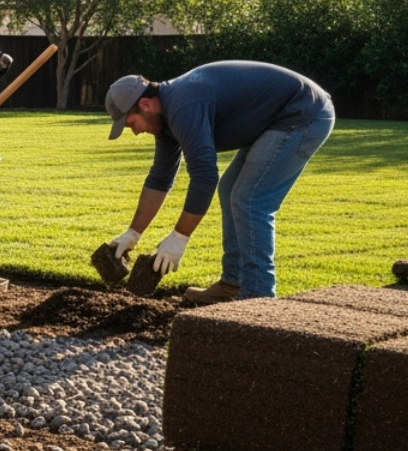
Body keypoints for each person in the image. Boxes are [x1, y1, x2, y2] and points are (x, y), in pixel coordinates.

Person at [104, 60, 335, 305]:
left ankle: (259, 297)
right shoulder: (166, 120)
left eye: (131, 124)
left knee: (249, 198)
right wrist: (133, 233)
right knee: (230, 191)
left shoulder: (183, 105)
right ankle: (231, 285)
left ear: (145, 104)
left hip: (301, 113)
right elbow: (160, 178)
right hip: (277, 119)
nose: (136, 132)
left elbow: (204, 175)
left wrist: (179, 237)